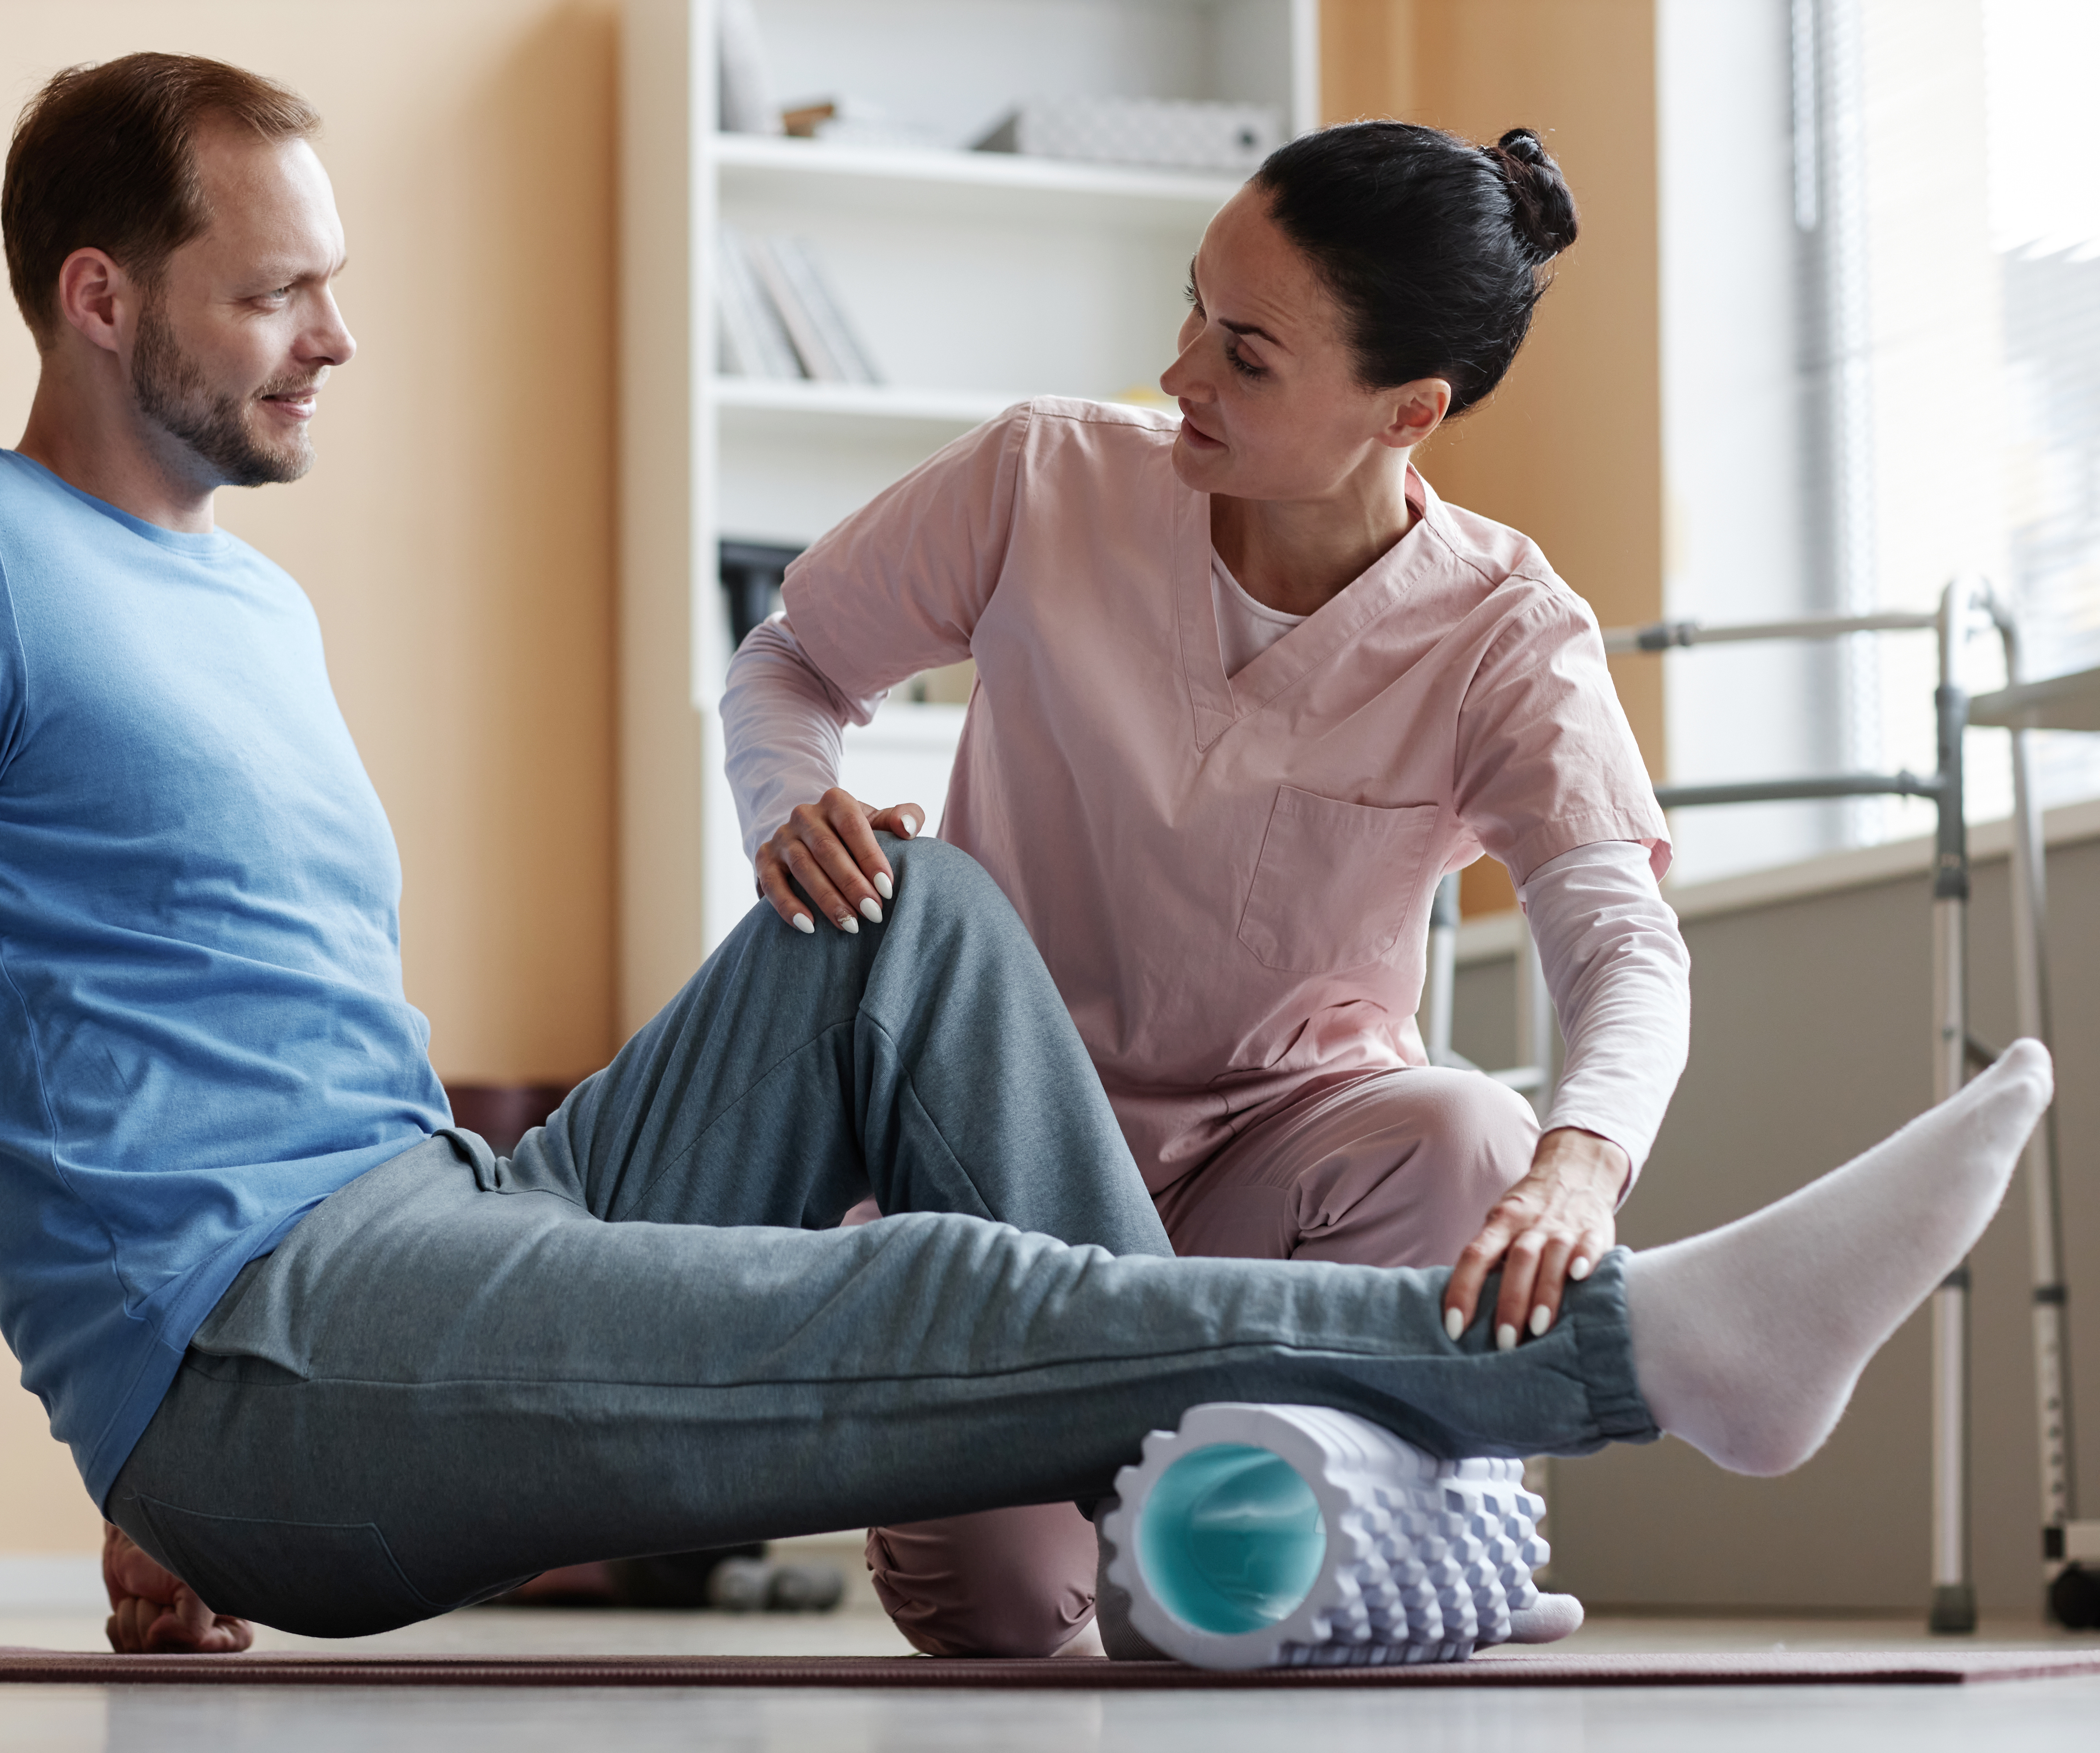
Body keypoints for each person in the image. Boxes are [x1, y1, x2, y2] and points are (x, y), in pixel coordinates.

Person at [0, 54, 2055, 1668]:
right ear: (97, 297)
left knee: (914, 908)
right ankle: (1650, 1367)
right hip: (274, 1335)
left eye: (337, 286)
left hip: (419, 1243)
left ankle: (1317, 1500)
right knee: (928, 1317)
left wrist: (166, 1498)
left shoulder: (245, 603)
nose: (339, 340)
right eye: (282, 293)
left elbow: (226, 1043)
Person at [719, 121, 1690, 1655]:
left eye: (1245, 354)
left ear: (1408, 411)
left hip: (1287, 1175)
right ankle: (1385, 1537)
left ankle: (1377, 1521)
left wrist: (1585, 1164)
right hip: (1003, 1161)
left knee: (1473, 1130)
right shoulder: (1046, 475)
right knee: (994, 1614)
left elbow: (1619, 935)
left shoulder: (1506, 627)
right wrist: (792, 800)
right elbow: (791, 662)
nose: (1179, 371)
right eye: (1193, 309)